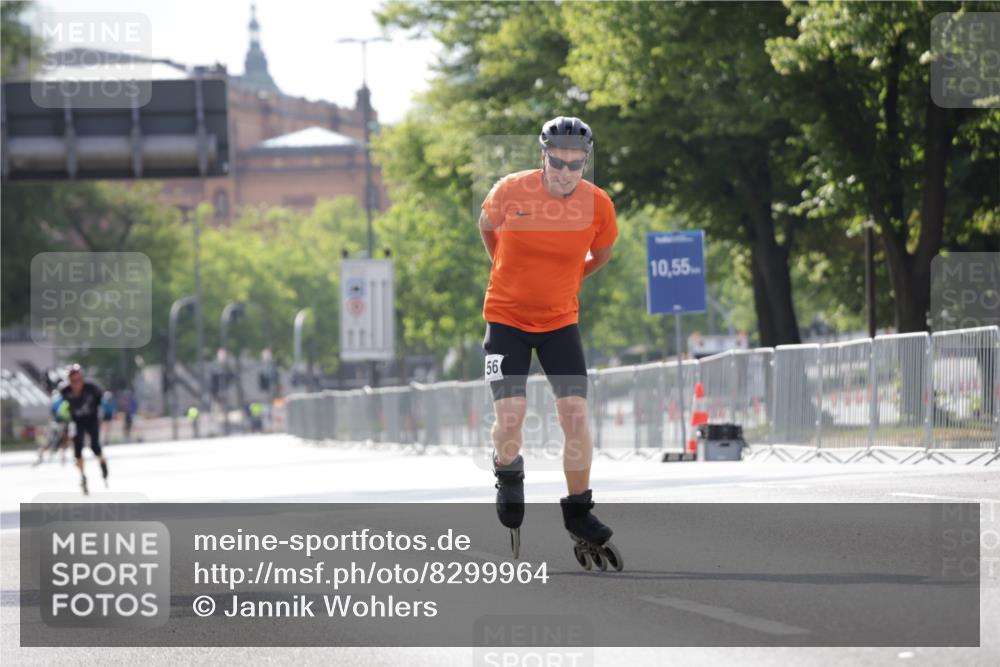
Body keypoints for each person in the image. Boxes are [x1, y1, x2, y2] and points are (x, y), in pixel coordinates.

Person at [478, 116, 622, 568]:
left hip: (561, 322)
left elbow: (601, 254)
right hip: (505, 319)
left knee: (575, 415)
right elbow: (487, 228)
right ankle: (508, 470)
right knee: (511, 414)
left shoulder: (598, 205)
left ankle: (580, 512)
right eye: (557, 162)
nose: (565, 172)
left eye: (575, 165)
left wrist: (565, 282)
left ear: (585, 163)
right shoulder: (510, 191)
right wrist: (506, 270)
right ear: (542, 156)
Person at [59, 364, 109, 494]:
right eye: (73, 381)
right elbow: (62, 407)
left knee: (94, 446)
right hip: (77, 420)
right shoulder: (65, 391)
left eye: (79, 380)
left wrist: (103, 416)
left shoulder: (92, 389)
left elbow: (101, 402)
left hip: (91, 419)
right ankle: (83, 476)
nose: (76, 384)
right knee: (78, 448)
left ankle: (102, 462)